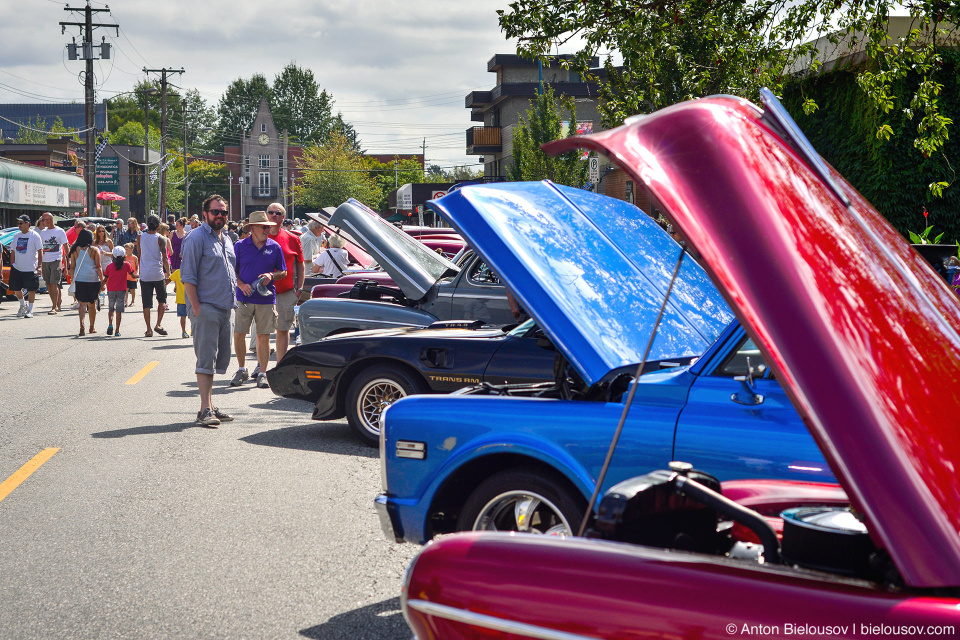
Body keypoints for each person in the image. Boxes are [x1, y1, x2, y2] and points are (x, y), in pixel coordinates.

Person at [181, 194, 237, 427]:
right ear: (205, 214)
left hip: (225, 308)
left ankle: (210, 406)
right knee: (205, 360)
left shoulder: (226, 239)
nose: (220, 216)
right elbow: (188, 277)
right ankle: (205, 409)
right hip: (206, 308)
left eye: (224, 212)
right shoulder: (196, 238)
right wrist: (197, 308)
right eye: (216, 212)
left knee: (216, 361)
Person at [230, 211, 286, 389]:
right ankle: (241, 369)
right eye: (264, 227)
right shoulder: (239, 246)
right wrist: (240, 284)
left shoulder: (274, 247)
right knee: (239, 333)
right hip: (244, 297)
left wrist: (271, 274)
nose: (267, 230)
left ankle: (262, 373)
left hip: (266, 298)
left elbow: (283, 271)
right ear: (252, 228)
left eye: (268, 227)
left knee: (263, 336)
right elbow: (232, 271)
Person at [265, 203, 304, 364]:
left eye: (278, 213)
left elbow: (300, 264)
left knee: (282, 330)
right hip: (263, 294)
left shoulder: (293, 239)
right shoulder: (259, 237)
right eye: (271, 212)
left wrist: (299, 288)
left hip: (286, 293)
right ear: (266, 215)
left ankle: (280, 365)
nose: (274, 215)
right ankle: (262, 367)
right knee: (263, 332)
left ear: (283, 217)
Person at [137, 214, 171, 337]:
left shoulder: (140, 237)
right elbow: (165, 258)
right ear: (158, 226)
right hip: (158, 273)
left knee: (146, 303)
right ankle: (158, 324)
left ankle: (149, 329)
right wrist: (169, 273)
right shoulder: (161, 238)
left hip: (145, 274)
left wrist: (140, 269)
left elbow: (140, 255)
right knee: (162, 300)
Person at [67, 228, 104, 335]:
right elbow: (98, 266)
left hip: (80, 279)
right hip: (93, 280)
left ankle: (82, 325)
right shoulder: (94, 250)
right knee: (92, 304)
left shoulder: (75, 250)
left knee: (82, 304)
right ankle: (91, 327)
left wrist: (73, 279)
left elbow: (72, 267)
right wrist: (102, 281)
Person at [7, 215, 44, 318]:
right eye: (18, 223)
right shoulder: (17, 236)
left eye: (21, 223)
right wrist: (12, 264)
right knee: (16, 288)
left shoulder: (34, 235)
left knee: (31, 289)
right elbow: (13, 250)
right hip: (17, 267)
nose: (19, 225)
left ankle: (30, 310)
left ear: (28, 224)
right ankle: (23, 304)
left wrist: (39, 266)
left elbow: (40, 251)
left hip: (30, 268)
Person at [37, 212, 69, 314]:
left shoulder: (60, 231)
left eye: (43, 220)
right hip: (45, 261)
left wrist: (68, 261)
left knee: (54, 283)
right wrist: (39, 263)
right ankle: (56, 303)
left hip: (56, 260)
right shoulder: (42, 232)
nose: (42, 222)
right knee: (49, 284)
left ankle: (54, 307)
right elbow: (40, 248)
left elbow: (66, 246)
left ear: (50, 220)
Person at [104, 246, 134, 337]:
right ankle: (117, 330)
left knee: (111, 309)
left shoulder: (109, 266)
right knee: (119, 311)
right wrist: (142, 276)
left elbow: (105, 279)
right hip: (121, 290)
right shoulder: (127, 265)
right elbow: (133, 275)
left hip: (111, 290)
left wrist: (100, 287)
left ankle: (110, 324)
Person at [169, 266, 189, 338]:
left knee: (183, 316)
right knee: (193, 316)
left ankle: (183, 332)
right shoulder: (192, 271)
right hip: (191, 298)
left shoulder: (178, 272)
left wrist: (175, 285)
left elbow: (169, 279)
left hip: (180, 298)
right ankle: (194, 330)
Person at [124, 243, 139, 307]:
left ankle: (132, 301)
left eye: (127, 249)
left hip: (133, 276)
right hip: (126, 276)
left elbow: (137, 266)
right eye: (125, 249)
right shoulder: (124, 257)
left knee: (133, 289)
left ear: (132, 250)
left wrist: (137, 274)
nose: (126, 251)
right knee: (126, 289)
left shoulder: (134, 257)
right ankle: (125, 301)